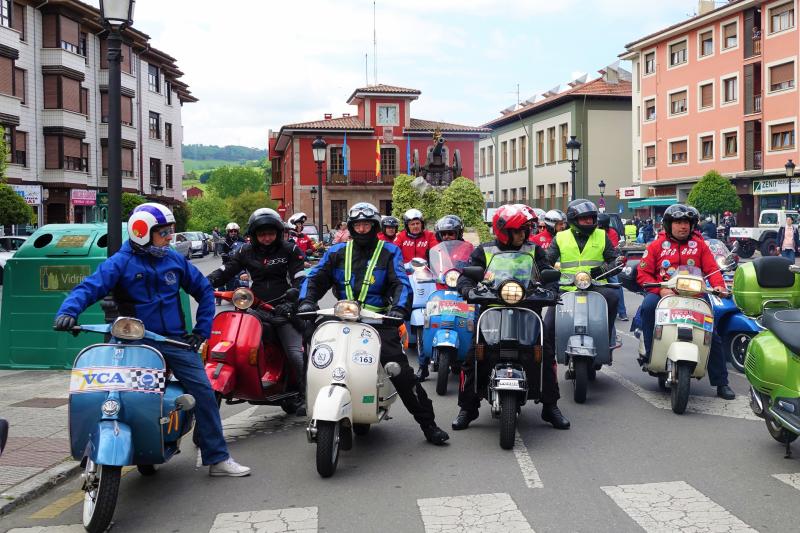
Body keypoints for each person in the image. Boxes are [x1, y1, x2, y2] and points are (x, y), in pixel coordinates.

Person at [53, 203, 250, 476]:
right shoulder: (120, 262)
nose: (170, 237)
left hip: (173, 340)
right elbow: (90, 287)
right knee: (105, 388)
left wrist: (201, 331)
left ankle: (217, 458)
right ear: (142, 232)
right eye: (164, 232)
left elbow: (204, 291)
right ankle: (104, 443)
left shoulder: (174, 259)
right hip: (132, 339)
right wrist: (68, 312)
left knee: (204, 391)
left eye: (170, 231)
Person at [297, 202, 450, 445]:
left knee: (399, 371)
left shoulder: (389, 251)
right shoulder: (336, 252)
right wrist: (307, 302)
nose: (362, 229)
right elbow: (315, 277)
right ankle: (307, 401)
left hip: (377, 320)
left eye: (366, 224)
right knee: (314, 350)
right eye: (357, 225)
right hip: (340, 318)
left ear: (374, 226)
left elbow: (400, 282)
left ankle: (428, 425)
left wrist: (399, 308)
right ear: (351, 227)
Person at [453, 204, 570, 431]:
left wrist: (552, 290)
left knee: (545, 353)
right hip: (492, 311)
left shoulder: (534, 250)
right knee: (472, 357)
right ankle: (468, 408)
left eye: (525, 230)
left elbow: (548, 274)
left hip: (527, 310)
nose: (523, 235)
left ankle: (550, 406)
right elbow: (466, 275)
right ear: (503, 231)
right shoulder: (484, 251)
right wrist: (467, 289)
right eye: (518, 231)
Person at [207, 208, 308, 412]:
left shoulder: (290, 250)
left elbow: (300, 277)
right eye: (262, 234)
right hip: (256, 306)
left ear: (278, 233)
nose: (267, 238)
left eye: (271, 233)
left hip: (284, 308)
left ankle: (308, 394)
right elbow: (227, 270)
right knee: (239, 342)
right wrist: (204, 282)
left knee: (295, 353)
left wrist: (294, 297)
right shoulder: (245, 251)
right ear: (253, 235)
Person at [636, 204, 735, 400]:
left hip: (695, 294)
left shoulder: (700, 246)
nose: (683, 227)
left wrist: (719, 287)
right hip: (664, 293)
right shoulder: (656, 246)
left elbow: (713, 271)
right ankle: (650, 352)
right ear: (668, 224)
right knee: (647, 308)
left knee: (712, 333)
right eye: (679, 222)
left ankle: (721, 383)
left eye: (687, 223)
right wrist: (659, 289)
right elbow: (643, 274)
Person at [546, 199, 620, 352]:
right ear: (573, 219)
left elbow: (615, 260)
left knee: (613, 297)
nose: (589, 221)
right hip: (566, 288)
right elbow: (546, 262)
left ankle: (606, 338)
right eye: (584, 218)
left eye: (592, 218)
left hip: (597, 286)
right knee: (548, 326)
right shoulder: (560, 237)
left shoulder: (601, 235)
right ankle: (548, 358)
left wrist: (603, 269)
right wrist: (550, 280)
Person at [598, 213, 628, 321]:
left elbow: (613, 250)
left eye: (600, 226)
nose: (598, 227)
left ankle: (622, 312)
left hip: (608, 264)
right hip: (596, 263)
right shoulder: (594, 233)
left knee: (616, 284)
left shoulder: (612, 232)